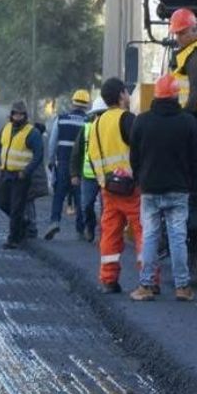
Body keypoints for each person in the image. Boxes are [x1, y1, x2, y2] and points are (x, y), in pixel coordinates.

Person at [129, 74, 197, 302]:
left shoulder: (142, 121)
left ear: (157, 95)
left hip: (150, 189)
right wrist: (196, 188)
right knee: (178, 238)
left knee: (150, 237)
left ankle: (146, 285)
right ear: (176, 95)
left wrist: (140, 179)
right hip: (178, 190)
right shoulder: (188, 122)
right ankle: (182, 287)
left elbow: (134, 157)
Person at [89, 78, 141, 293]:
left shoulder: (96, 124)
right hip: (131, 188)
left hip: (108, 188)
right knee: (142, 232)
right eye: (127, 92)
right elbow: (140, 149)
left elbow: (92, 156)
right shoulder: (127, 119)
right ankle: (149, 280)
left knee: (110, 233)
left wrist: (104, 181)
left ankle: (108, 279)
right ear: (121, 95)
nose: (129, 96)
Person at [0, 100, 45, 250]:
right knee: (2, 201)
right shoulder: (6, 128)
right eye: (15, 114)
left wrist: (26, 171)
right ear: (11, 115)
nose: (17, 117)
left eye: (20, 114)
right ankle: (22, 223)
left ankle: (13, 239)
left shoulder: (32, 133)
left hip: (20, 176)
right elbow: (0, 146)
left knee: (17, 207)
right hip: (5, 173)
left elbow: (38, 155)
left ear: (25, 115)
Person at [44, 90, 92, 240]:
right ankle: (80, 229)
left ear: (73, 103)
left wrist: (51, 162)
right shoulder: (89, 121)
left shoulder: (61, 119)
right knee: (80, 198)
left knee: (59, 194)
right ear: (87, 105)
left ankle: (54, 221)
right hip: (81, 165)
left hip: (63, 163)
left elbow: (52, 143)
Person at [75, 96, 107, 241]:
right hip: (89, 175)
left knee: (107, 209)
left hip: (108, 175)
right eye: (98, 114)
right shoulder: (86, 129)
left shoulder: (112, 129)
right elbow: (77, 152)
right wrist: (74, 173)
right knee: (86, 205)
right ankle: (90, 226)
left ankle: (105, 235)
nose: (100, 117)